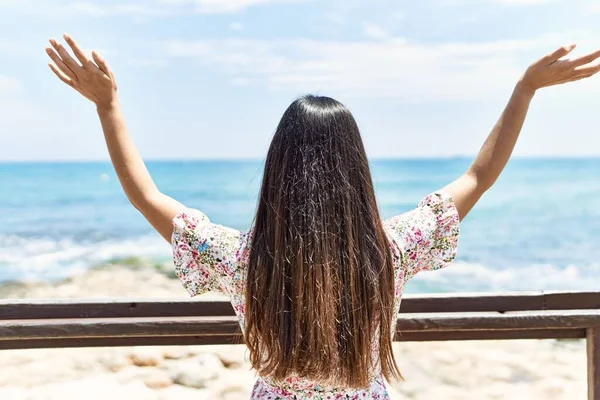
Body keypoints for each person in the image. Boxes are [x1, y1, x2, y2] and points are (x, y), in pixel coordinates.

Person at [45, 34, 600, 399]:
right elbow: (479, 176)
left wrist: (108, 105)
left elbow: (146, 194)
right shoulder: (390, 249)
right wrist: (525, 90)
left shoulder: (242, 258)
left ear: (276, 171)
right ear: (357, 170)